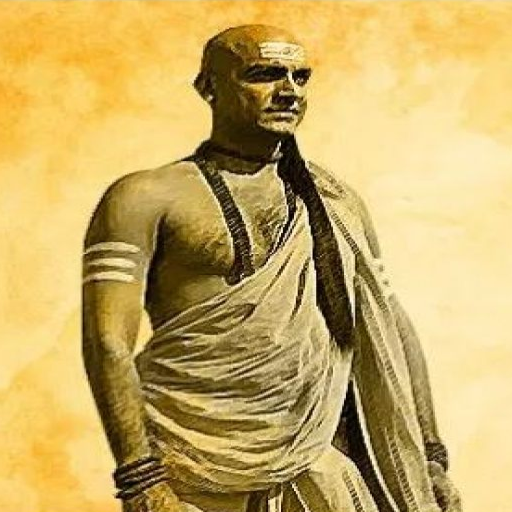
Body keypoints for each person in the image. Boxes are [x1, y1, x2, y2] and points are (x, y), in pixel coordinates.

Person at [82, 24, 461, 512]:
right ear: (208, 87)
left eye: (300, 78)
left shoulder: (337, 203)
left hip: (316, 465)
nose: (289, 91)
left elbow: (391, 327)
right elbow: (107, 342)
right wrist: (140, 479)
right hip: (190, 470)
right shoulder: (143, 197)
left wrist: (430, 456)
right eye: (263, 74)